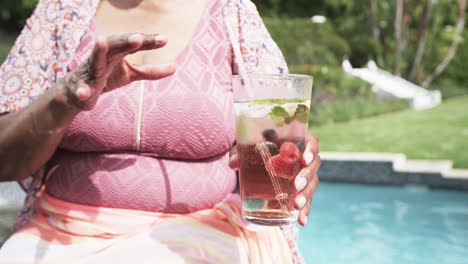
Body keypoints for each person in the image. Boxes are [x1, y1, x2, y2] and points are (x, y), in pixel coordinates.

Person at [0, 0, 320, 263]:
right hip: (60, 235)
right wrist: (65, 96)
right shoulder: (61, 11)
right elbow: (4, 158)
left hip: (208, 237)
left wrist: (298, 156)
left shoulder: (234, 14)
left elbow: (278, 124)